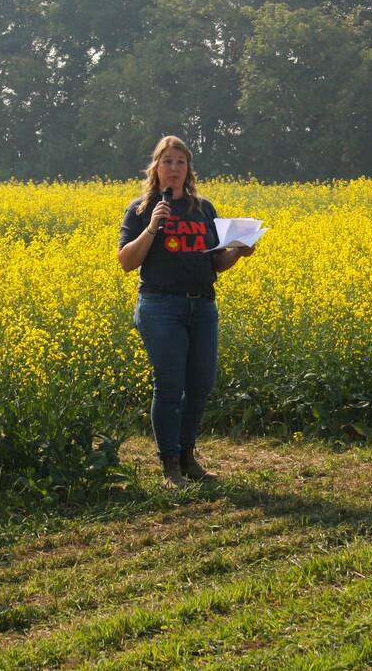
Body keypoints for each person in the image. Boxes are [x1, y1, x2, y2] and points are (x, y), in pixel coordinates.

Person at [117, 135, 255, 488]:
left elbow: (217, 261)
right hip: (161, 306)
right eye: (168, 162)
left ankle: (188, 455)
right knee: (170, 386)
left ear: (188, 168)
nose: (175, 168)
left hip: (202, 305)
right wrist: (152, 227)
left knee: (200, 385)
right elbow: (126, 262)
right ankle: (170, 465)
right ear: (157, 168)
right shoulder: (140, 209)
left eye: (181, 162)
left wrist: (238, 251)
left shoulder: (203, 209)